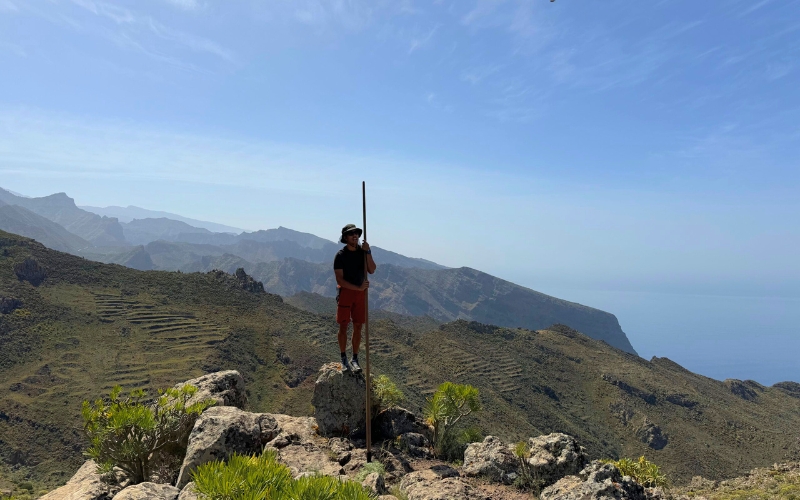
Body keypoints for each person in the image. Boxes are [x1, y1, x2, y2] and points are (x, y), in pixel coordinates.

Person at [333, 223, 377, 373]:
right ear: (345, 238)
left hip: (360, 294)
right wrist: (357, 288)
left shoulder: (363, 253)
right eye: (351, 234)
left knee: (358, 325)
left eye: (356, 233)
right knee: (343, 326)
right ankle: (343, 357)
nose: (355, 236)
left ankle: (355, 358)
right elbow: (340, 280)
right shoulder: (340, 256)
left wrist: (368, 252)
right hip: (346, 293)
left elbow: (372, 269)